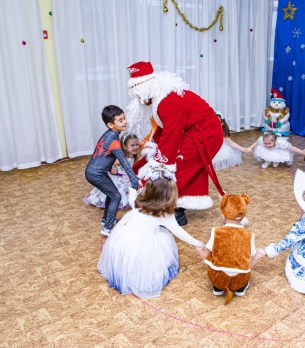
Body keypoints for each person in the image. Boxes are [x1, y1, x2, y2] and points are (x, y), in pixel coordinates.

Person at [124, 61, 225, 226]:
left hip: (206, 134)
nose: (139, 100)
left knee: (175, 169)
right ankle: (176, 208)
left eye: (139, 95)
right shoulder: (161, 98)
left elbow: (172, 135)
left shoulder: (168, 102)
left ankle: (169, 210)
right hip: (197, 131)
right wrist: (153, 149)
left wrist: (159, 162)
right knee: (182, 167)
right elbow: (164, 128)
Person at [97, 163, 205, 298]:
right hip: (143, 246)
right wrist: (197, 243)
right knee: (163, 243)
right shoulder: (163, 213)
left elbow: (131, 198)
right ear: (169, 194)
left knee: (129, 260)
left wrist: (132, 188)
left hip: (123, 241)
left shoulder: (138, 202)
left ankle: (125, 274)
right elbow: (178, 231)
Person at [198, 193, 262, 304]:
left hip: (218, 278)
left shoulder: (216, 232)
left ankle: (217, 288)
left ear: (223, 217)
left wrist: (198, 247)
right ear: (243, 217)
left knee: (211, 256)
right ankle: (240, 289)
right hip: (240, 280)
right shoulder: (249, 235)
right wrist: (258, 256)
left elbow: (204, 255)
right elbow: (250, 262)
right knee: (247, 261)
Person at [85, 105, 139, 236]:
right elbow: (124, 162)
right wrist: (134, 179)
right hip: (96, 174)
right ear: (110, 124)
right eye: (120, 120)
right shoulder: (113, 140)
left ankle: (106, 220)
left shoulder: (109, 135)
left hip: (96, 172)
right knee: (116, 196)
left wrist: (109, 167)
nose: (125, 121)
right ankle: (108, 228)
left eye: (124, 118)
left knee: (112, 194)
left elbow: (102, 154)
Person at [83, 131, 141, 210]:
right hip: (119, 179)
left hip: (126, 178)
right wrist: (112, 168)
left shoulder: (133, 156)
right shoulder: (121, 159)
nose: (135, 147)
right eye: (132, 145)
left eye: (137, 144)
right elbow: (110, 163)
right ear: (124, 146)